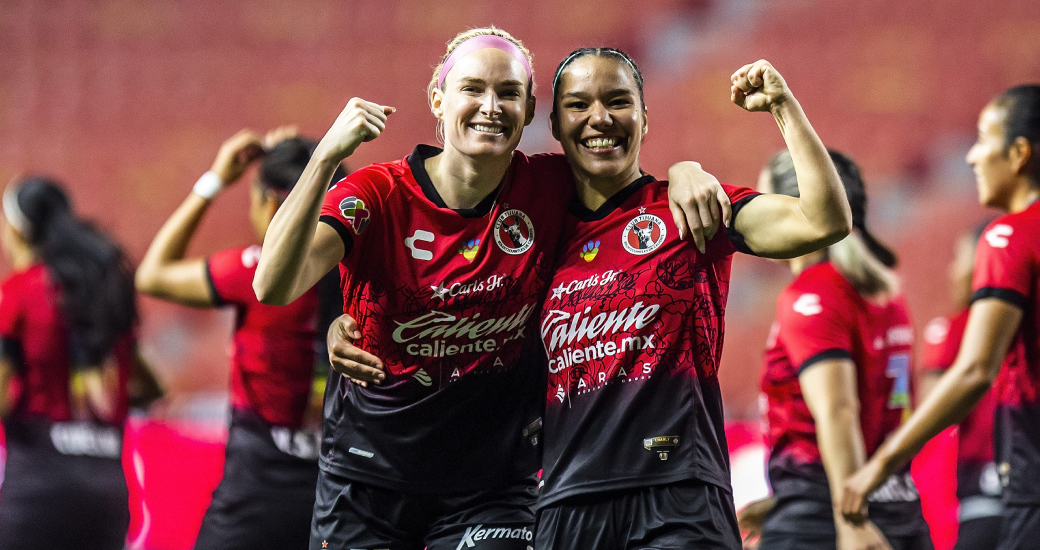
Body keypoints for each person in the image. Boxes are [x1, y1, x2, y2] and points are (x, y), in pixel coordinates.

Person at [324, 50, 852, 548]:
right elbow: (456, 298)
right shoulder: (535, 232)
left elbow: (822, 221)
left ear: (646, 117)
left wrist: (782, 109)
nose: (599, 118)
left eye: (618, 102)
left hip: (677, 494)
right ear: (554, 126)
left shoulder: (689, 211)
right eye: (578, 105)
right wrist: (348, 325)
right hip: (563, 505)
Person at [253, 27, 733, 550]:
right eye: (472, 89)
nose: (491, 106)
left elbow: (627, 179)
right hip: (367, 477)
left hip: (493, 488)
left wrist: (688, 172)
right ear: (438, 98)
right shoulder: (378, 193)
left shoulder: (550, 187)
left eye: (508, 93)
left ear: (530, 111)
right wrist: (324, 158)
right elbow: (274, 285)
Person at [841, 85, 1040, 550]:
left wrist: (882, 463)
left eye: (984, 139)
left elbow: (974, 370)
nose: (972, 157)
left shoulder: (1010, 236)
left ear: (1018, 154)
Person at [135, 128, 341, 550]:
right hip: (338, 497)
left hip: (256, 494)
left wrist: (215, 180)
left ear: (269, 202)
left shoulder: (254, 272)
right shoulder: (366, 276)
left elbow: (152, 274)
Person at [743, 150, 931, 550]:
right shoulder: (886, 295)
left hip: (829, 516)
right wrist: (783, 501)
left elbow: (839, 410)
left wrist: (848, 520)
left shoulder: (811, 293)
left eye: (762, 201)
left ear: (795, 209)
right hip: (898, 509)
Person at [0, 177, 140, 550]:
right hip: (108, 491)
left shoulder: (15, 294)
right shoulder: (107, 294)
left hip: (38, 486)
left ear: (16, 229)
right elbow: (145, 383)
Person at [919, 222, 1001, 550]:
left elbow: (930, 412)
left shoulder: (953, 331)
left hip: (980, 498)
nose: (953, 271)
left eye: (961, 259)